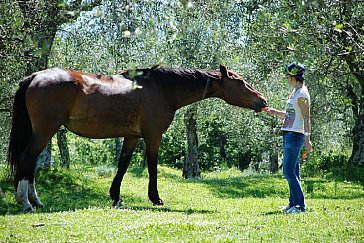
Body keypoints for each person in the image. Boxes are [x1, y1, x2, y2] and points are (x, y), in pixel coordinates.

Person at [263, 62, 312, 213]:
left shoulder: (302, 94)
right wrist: (274, 112)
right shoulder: (295, 92)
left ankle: (300, 206)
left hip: (295, 135)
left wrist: (307, 140)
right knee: (294, 172)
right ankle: (292, 204)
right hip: (288, 134)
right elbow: (292, 114)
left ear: (294, 77)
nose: (286, 78)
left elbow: (306, 117)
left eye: (288, 76)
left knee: (288, 172)